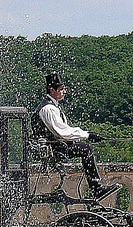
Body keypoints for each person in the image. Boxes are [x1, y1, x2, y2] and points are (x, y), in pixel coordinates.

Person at [31, 72, 120, 200]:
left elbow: (65, 131)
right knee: (86, 148)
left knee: (85, 147)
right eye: (61, 89)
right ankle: (96, 188)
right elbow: (63, 132)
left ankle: (96, 187)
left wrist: (85, 135)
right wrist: (87, 135)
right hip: (55, 149)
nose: (64, 92)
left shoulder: (52, 107)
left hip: (57, 146)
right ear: (52, 90)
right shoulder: (48, 109)